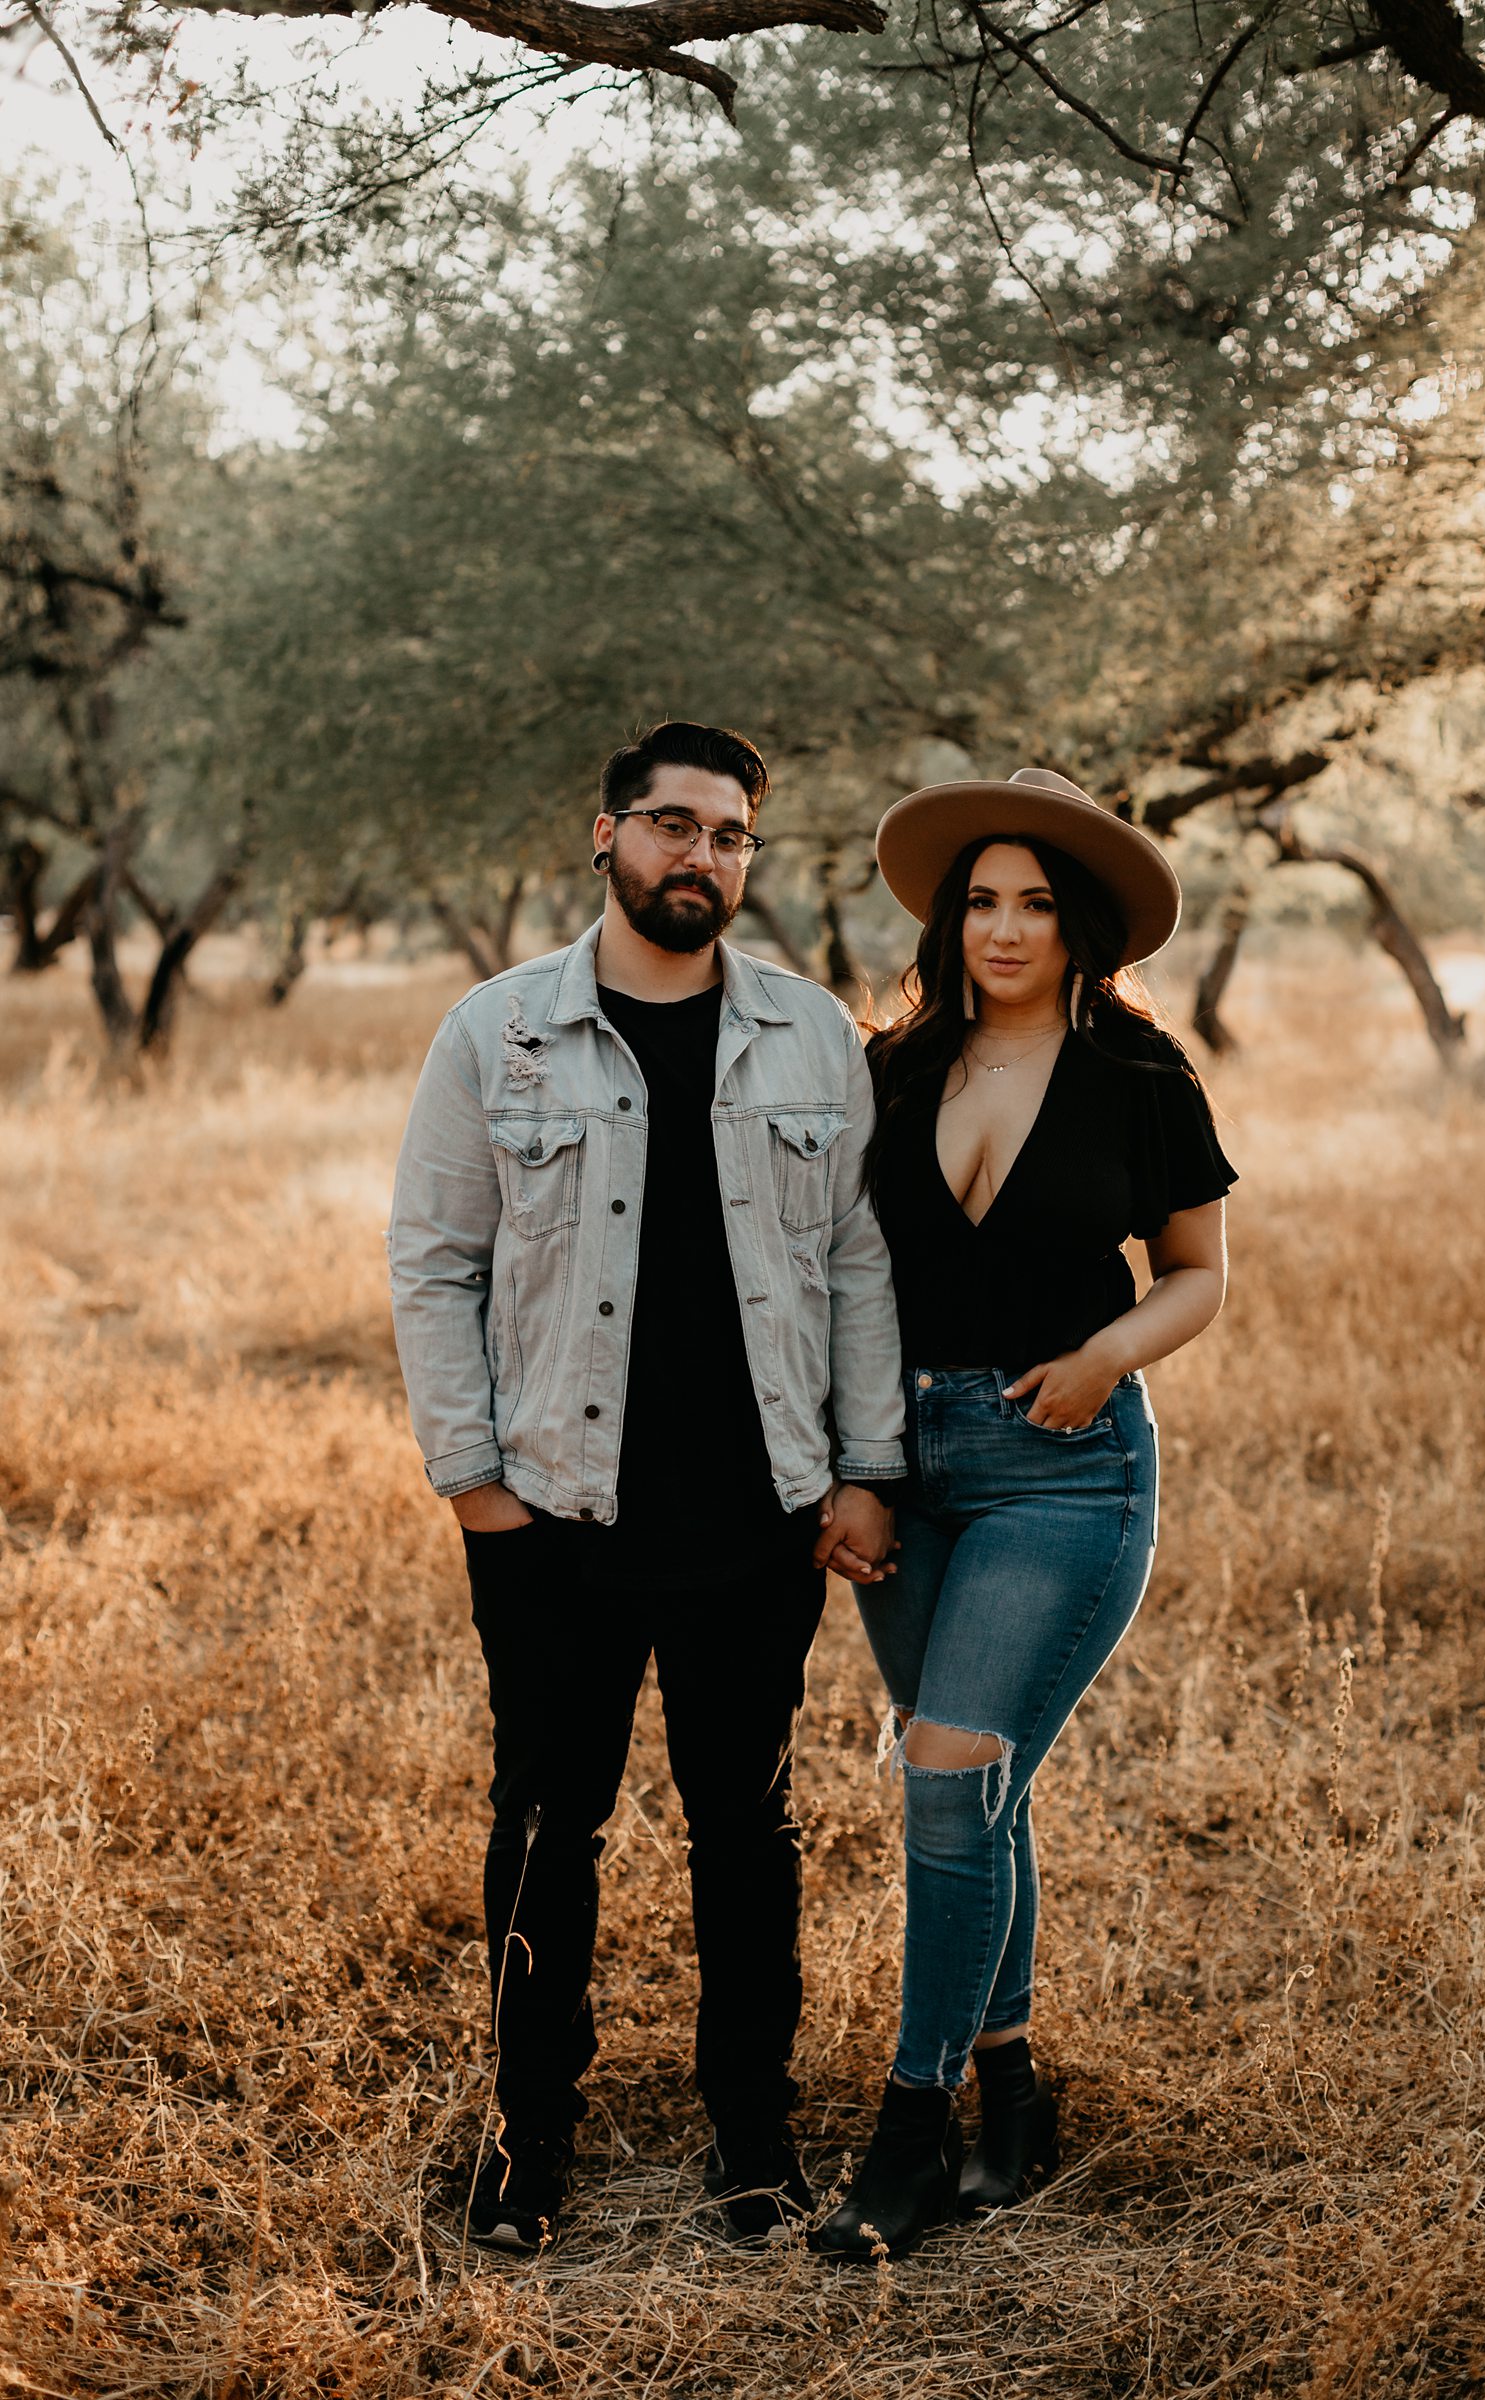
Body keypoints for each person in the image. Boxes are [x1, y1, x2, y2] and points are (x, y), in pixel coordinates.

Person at [387, 721, 905, 2252]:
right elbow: (435, 1262)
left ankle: (755, 2143)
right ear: (604, 835)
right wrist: (475, 1481)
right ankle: (527, 2138)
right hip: (553, 1509)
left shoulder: (812, 1036)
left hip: (758, 1519)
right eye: (673, 824)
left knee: (747, 1833)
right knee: (549, 1825)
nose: (702, 855)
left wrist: (866, 1469)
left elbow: (859, 1265)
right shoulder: (501, 1031)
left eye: (730, 834)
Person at [809, 768, 1236, 2260]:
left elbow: (1197, 1271)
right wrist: (856, 1470)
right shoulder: (892, 1069)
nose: (1002, 926)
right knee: (978, 1792)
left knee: (943, 1776)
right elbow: (844, 1285)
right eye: (980, 899)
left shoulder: (1142, 1077)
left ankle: (909, 2133)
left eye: (1035, 903)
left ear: (1082, 925)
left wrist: (1108, 1352)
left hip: (1069, 1470)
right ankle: (1014, 2090)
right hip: (907, 1466)